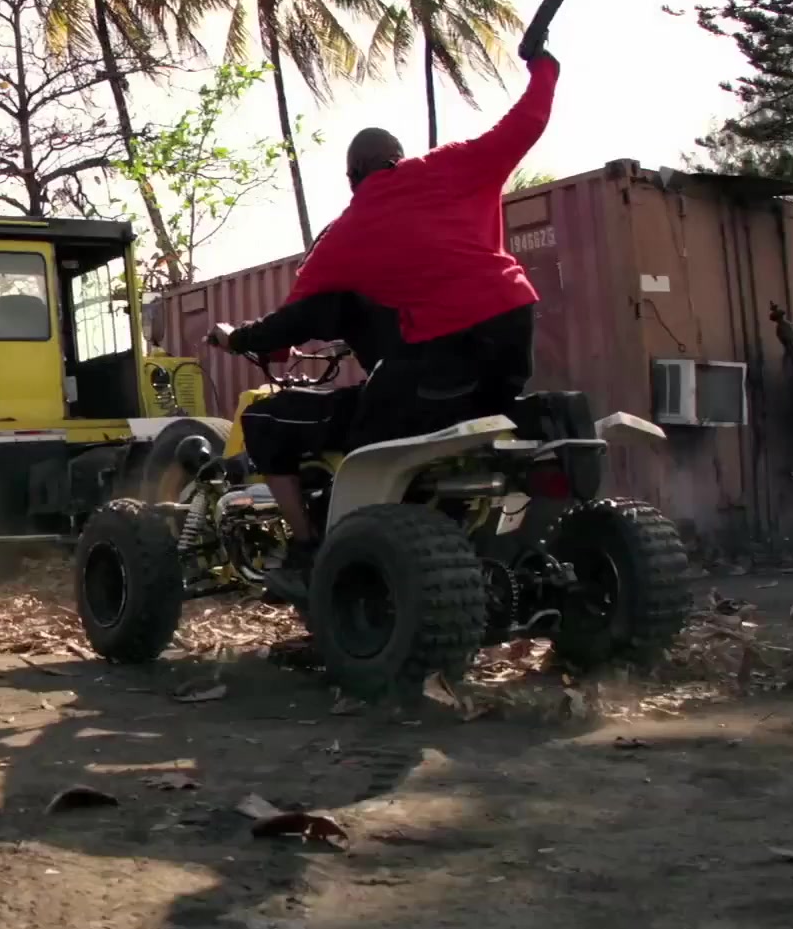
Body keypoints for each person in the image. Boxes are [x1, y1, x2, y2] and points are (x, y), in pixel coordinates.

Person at [211, 49, 561, 583]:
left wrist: (238, 339)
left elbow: (292, 321)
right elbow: (528, 121)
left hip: (441, 362)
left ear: (352, 177)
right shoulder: (455, 163)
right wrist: (544, 66)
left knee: (317, 428)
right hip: (512, 338)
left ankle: (313, 551)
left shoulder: (345, 234)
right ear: (399, 156)